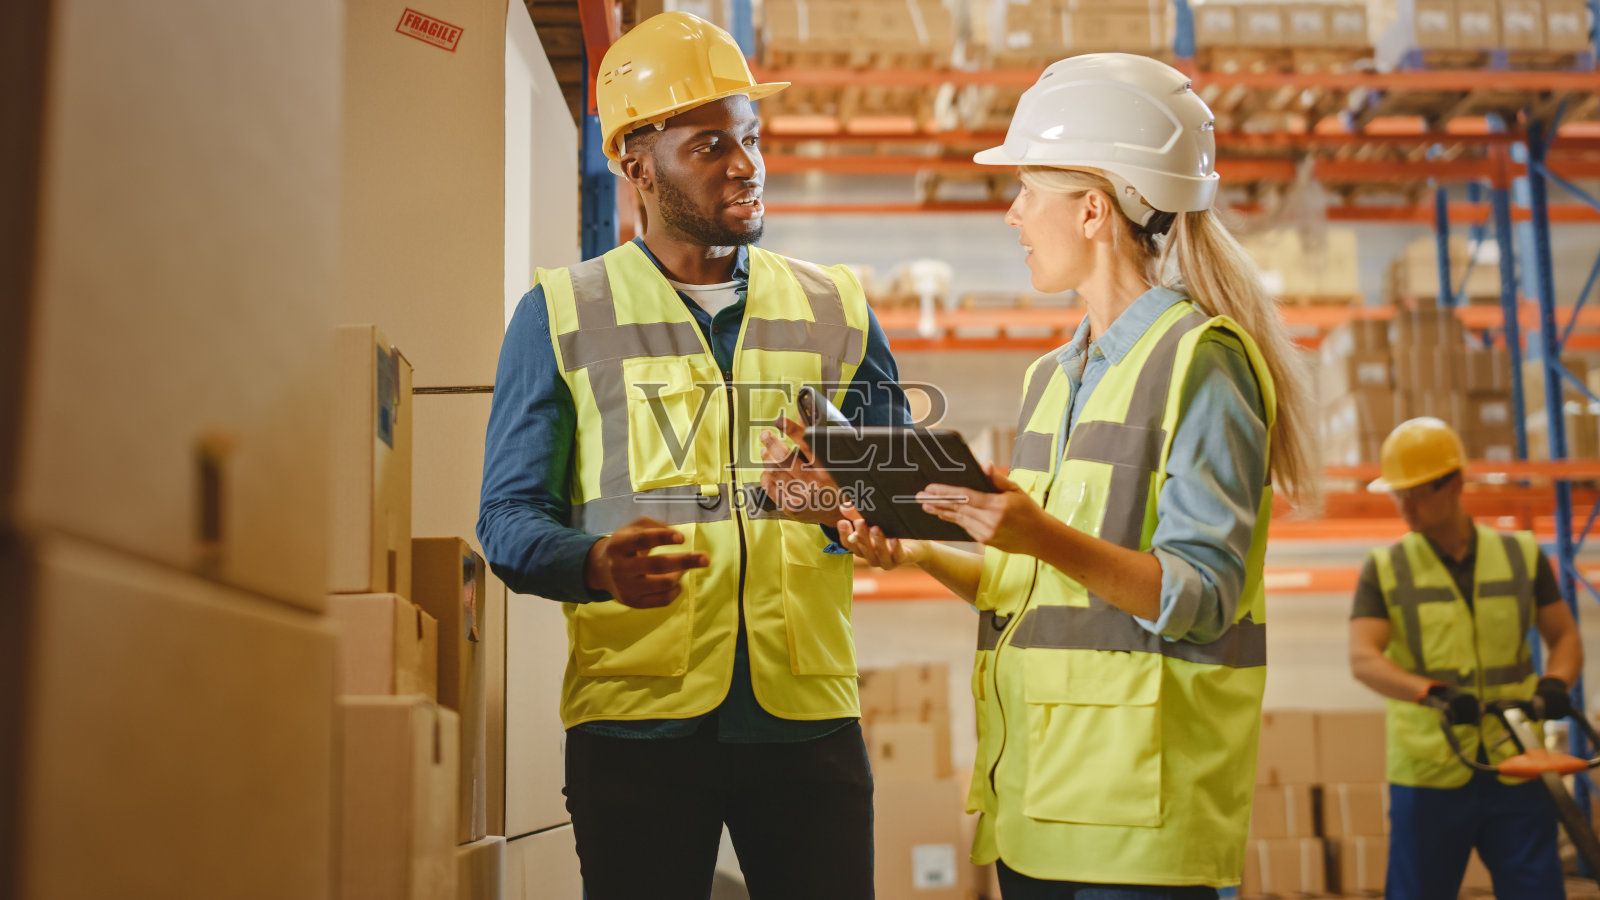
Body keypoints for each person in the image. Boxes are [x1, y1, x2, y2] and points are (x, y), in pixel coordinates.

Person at [808, 53, 1321, 895]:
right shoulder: (1051, 378)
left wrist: (1037, 531)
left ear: (1091, 209)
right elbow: (1026, 587)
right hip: (1037, 803)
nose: (1012, 216)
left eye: (1026, 192)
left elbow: (1199, 600)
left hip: (1140, 817)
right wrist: (913, 547)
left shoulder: (1203, 364)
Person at [476, 12, 907, 900]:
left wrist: (849, 500)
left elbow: (909, 491)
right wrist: (595, 563)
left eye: (749, 138)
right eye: (711, 144)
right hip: (636, 731)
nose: (746, 164)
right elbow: (507, 522)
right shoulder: (561, 313)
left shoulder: (837, 307)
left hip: (808, 722)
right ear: (634, 163)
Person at [1349, 417, 1583, 900]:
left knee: (1536, 891)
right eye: (1398, 493)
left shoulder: (1521, 555)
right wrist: (1431, 693)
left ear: (1455, 483)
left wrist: (1556, 682)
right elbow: (1363, 658)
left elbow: (1564, 636)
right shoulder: (1385, 568)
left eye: (1416, 491)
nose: (1404, 505)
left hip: (1515, 757)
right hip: (1430, 770)